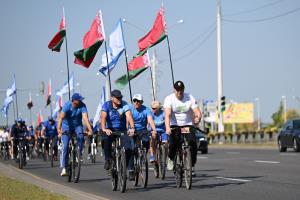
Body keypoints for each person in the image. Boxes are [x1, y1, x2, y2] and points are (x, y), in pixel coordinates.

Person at [164, 81, 202, 175]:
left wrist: (198, 118)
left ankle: (191, 165)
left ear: (183, 89)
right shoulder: (169, 99)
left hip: (187, 124)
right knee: (173, 144)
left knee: (193, 144)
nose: (179, 92)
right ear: (174, 90)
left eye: (181, 90)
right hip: (174, 125)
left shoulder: (189, 97)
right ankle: (171, 158)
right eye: (177, 90)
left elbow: (197, 111)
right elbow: (167, 115)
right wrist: (168, 127)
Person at [100, 89, 135, 178]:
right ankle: (108, 159)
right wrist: (104, 129)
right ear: (112, 98)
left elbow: (129, 116)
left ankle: (127, 166)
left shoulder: (124, 104)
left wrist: (132, 128)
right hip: (110, 129)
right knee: (105, 140)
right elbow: (103, 117)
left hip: (122, 130)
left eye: (120, 97)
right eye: (117, 98)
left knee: (129, 148)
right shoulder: (107, 105)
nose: (119, 99)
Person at [57, 93, 93, 176]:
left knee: (81, 136)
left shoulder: (82, 106)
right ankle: (64, 168)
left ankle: (78, 154)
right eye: (79, 100)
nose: (80, 101)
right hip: (66, 126)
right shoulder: (67, 105)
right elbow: (61, 118)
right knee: (65, 146)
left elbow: (85, 118)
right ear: (74, 101)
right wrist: (59, 129)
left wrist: (90, 130)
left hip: (77, 126)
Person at [130, 94, 157, 168]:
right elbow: (127, 121)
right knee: (133, 148)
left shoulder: (146, 109)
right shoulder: (130, 109)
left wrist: (154, 130)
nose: (136, 102)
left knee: (146, 142)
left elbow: (150, 120)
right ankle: (133, 165)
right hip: (133, 130)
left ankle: (143, 155)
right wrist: (129, 130)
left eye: (138, 101)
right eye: (134, 101)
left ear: (141, 102)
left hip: (143, 130)